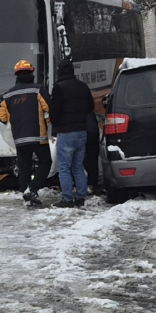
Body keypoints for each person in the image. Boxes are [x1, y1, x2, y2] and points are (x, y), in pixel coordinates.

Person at [0, 60, 52, 206]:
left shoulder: (8, 95)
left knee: (24, 167)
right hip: (38, 136)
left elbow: (1, 117)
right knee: (46, 162)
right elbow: (49, 108)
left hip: (19, 138)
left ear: (16, 75)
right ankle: (32, 188)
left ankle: (25, 194)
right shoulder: (39, 90)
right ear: (31, 73)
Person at [50, 58, 95, 208]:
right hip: (82, 131)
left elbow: (54, 113)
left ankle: (67, 199)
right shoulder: (83, 86)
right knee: (78, 166)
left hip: (66, 133)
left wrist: (56, 126)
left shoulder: (59, 88)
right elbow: (90, 107)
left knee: (64, 167)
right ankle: (81, 197)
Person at [84, 111, 102, 195]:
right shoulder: (88, 104)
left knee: (81, 159)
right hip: (92, 130)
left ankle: (84, 184)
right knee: (93, 158)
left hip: (81, 130)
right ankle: (92, 183)